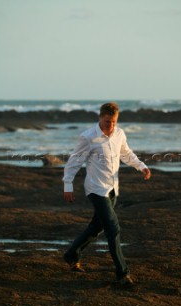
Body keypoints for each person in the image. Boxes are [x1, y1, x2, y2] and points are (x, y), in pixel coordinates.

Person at [63, 102, 151, 286]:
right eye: (107, 121)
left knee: (97, 227)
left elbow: (126, 154)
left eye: (114, 122)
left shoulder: (119, 133)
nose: (111, 125)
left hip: (112, 189)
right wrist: (68, 185)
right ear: (100, 117)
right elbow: (74, 162)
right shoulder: (88, 137)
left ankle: (72, 254)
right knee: (113, 228)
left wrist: (141, 166)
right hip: (96, 189)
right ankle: (122, 274)